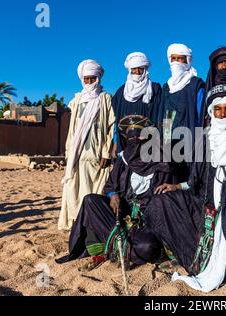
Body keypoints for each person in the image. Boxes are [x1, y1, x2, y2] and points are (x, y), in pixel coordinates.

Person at [144, 85, 226, 293]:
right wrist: (178, 186)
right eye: (218, 109)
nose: (223, 114)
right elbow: (199, 181)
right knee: (161, 203)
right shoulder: (206, 138)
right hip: (208, 210)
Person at [56, 115, 174, 271]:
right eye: (131, 139)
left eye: (138, 138)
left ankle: (117, 248)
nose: (135, 144)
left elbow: (166, 201)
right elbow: (110, 185)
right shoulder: (123, 160)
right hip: (119, 215)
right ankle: (117, 246)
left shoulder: (162, 164)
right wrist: (113, 195)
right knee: (90, 201)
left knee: (147, 246)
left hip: (147, 222)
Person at [58, 59, 115, 231]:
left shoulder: (105, 99)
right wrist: (69, 152)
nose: (89, 82)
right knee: (74, 190)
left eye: (92, 78)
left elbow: (111, 128)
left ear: (98, 78)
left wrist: (106, 152)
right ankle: (76, 222)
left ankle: (93, 223)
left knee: (95, 190)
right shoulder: (76, 100)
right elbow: (72, 130)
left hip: (97, 156)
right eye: (86, 79)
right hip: (78, 154)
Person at [161, 43, 205, 182]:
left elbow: (200, 115)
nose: (176, 63)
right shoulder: (167, 87)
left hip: (190, 142)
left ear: (187, 61)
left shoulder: (196, 85)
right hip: (169, 143)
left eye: (180, 59)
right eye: (173, 59)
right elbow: (165, 116)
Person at [112, 52, 163, 155]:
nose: (137, 72)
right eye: (134, 69)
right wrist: (115, 143)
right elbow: (116, 121)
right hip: (126, 143)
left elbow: (161, 115)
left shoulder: (154, 89)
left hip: (149, 142)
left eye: (140, 68)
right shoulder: (121, 92)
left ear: (145, 69)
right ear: (129, 70)